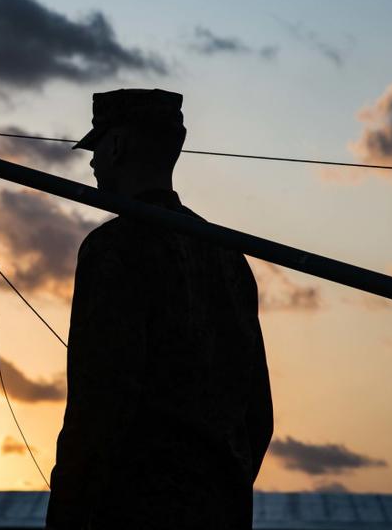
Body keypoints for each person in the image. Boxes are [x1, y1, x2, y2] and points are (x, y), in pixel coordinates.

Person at [46, 89, 273, 529]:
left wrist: (67, 512)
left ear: (116, 146)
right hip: (220, 511)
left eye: (96, 149)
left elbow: (99, 408)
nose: (92, 164)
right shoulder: (229, 254)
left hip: (133, 511)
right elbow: (257, 415)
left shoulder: (112, 249)